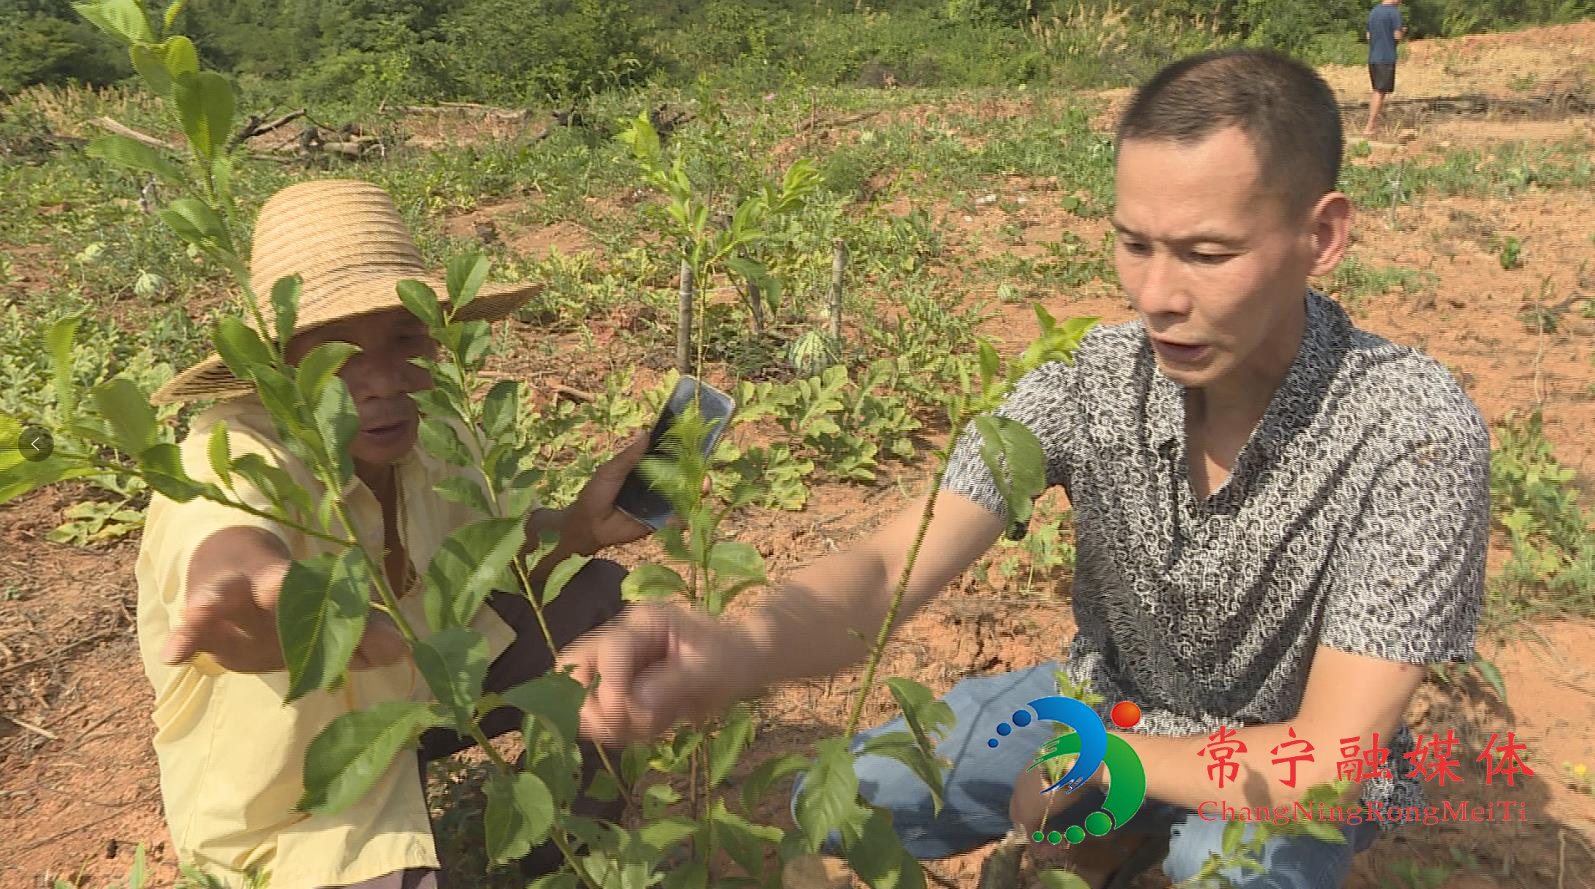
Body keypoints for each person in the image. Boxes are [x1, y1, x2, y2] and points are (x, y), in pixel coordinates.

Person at [563, 48, 1489, 889]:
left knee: (1222, 867)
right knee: (841, 797)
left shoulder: (1407, 429)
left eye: (1208, 254)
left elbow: (1331, 758)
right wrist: (736, 649)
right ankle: (1117, 838)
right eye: (1134, 243)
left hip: (1277, 761)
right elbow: (891, 566)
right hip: (1105, 703)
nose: (1158, 296)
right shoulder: (1092, 382)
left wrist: (1107, 764)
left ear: (1320, 237)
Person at [137, 179, 652, 888]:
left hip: (420, 681)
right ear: (279, 365)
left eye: (407, 338)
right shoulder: (234, 448)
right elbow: (225, 529)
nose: (384, 379)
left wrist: (574, 526)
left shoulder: (432, 425)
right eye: (336, 351)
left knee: (601, 600)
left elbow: (484, 545)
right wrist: (249, 576)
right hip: (305, 769)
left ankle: (568, 860)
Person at [1364, 0, 1406, 136]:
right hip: (1386, 58)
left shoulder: (1373, 12)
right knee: (1380, 92)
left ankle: (1375, 124)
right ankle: (1370, 126)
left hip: (1373, 58)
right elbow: (1397, 36)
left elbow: (1368, 36)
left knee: (1378, 90)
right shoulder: (1394, 13)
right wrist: (1402, 33)